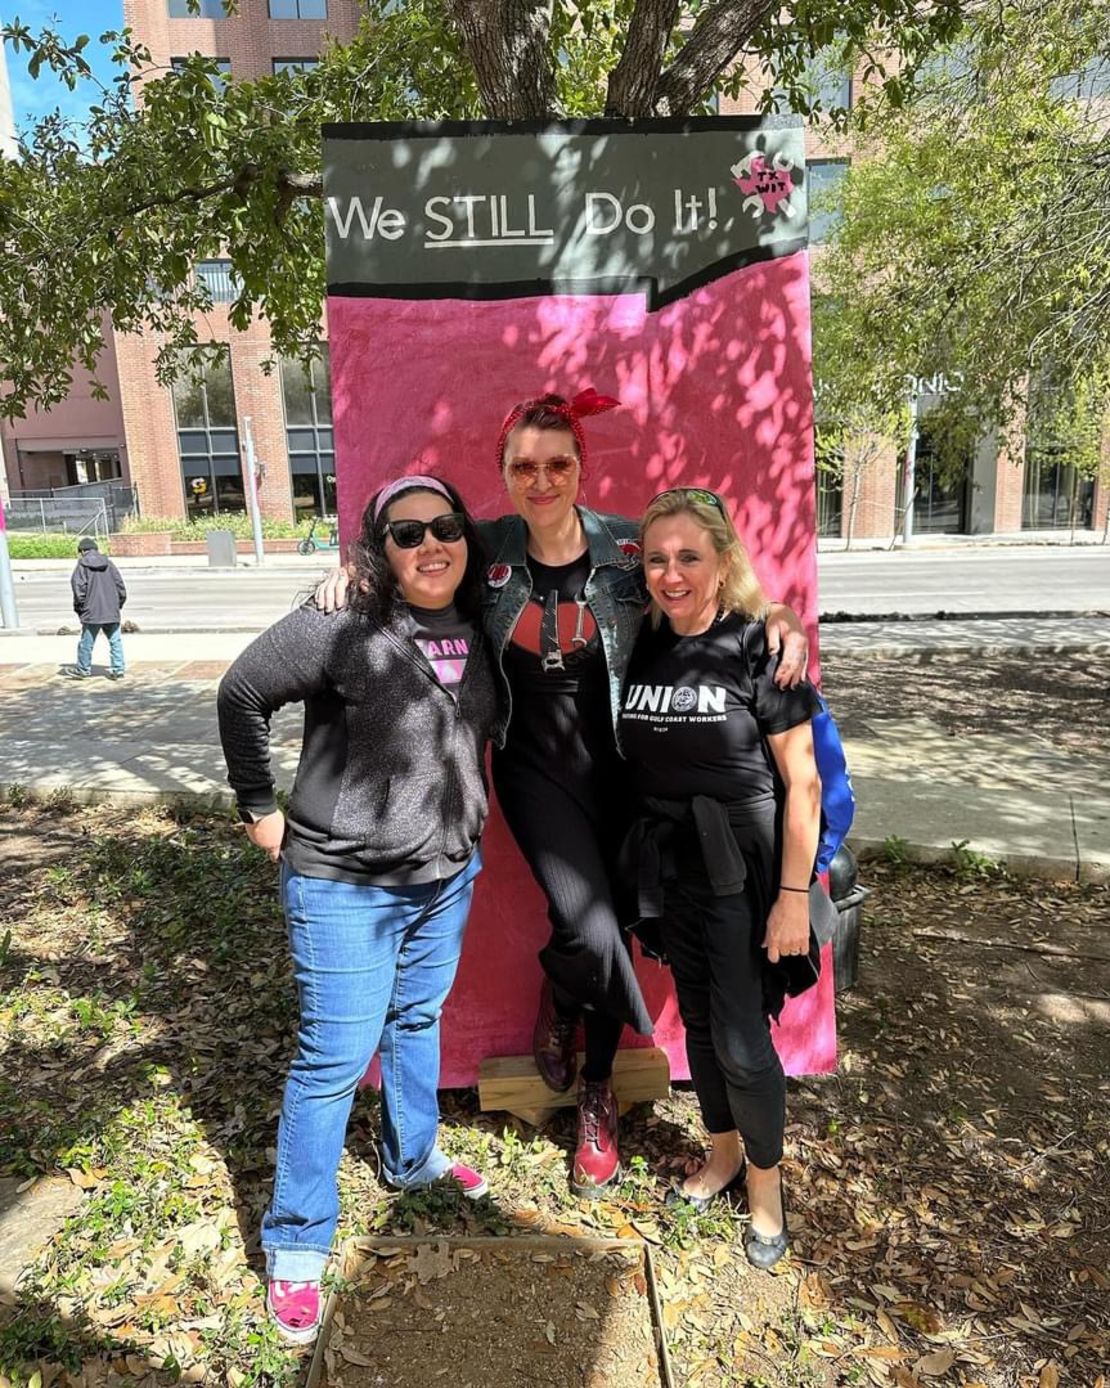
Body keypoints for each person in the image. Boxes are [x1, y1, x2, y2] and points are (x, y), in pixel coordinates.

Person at [314, 390, 809, 1198]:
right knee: (588, 923)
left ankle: (598, 1091)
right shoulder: (486, 546)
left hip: (622, 768)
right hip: (531, 766)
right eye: (524, 466)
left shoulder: (624, 547)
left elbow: (711, 586)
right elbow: (417, 567)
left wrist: (778, 613)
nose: (541, 479)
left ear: (580, 468)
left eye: (558, 464)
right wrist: (352, 571)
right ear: (505, 474)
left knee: (606, 922)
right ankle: (564, 978)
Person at [217, 476, 503, 1343]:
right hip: (345, 884)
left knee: (415, 1019)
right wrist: (258, 808)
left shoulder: (481, 619)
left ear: (465, 536)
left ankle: (411, 1159)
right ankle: (298, 1246)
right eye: (405, 533)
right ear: (378, 549)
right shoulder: (341, 621)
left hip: (446, 873)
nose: (429, 545)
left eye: (444, 527)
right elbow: (241, 693)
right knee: (332, 1059)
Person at [619, 487, 825, 1270]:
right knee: (698, 1025)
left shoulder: (759, 649)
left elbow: (799, 784)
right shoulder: (637, 641)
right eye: (659, 559)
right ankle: (724, 1153)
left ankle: (767, 1189)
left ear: (722, 562)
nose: (672, 574)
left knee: (742, 1040)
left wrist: (793, 900)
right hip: (670, 866)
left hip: (744, 873)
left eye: (689, 558)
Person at [67, 537, 127, 680]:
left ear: (82, 551)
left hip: (92, 611)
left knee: (86, 643)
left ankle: (83, 669)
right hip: (111, 610)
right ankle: (118, 669)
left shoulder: (82, 566)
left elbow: (78, 589)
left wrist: (80, 608)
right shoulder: (110, 564)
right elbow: (120, 587)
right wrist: (118, 605)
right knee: (115, 641)